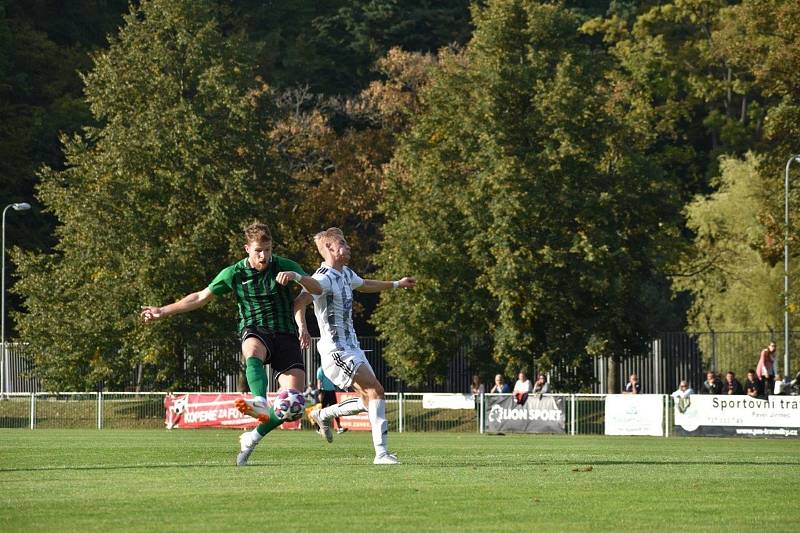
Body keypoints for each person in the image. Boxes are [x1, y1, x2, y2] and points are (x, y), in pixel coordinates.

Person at [140, 222, 322, 466]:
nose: (263, 255)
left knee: (292, 405)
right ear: (247, 248)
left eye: (267, 250)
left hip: (286, 335)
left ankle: (252, 438)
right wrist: (163, 310)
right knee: (252, 350)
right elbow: (200, 297)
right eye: (258, 250)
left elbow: (316, 288)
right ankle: (259, 400)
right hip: (255, 329)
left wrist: (298, 278)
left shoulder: (285, 266)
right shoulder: (234, 273)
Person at [295, 227, 416, 465]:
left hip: (353, 347)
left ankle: (322, 414)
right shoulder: (323, 277)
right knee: (376, 391)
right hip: (336, 351)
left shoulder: (345, 274)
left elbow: (364, 284)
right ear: (329, 248)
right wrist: (302, 326)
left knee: (367, 399)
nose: (348, 247)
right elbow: (302, 298)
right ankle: (381, 454)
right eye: (342, 243)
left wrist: (396, 284)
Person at [316, 364, 346, 433]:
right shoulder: (320, 369)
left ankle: (339, 427)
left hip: (332, 391)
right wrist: (319, 392)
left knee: (335, 409)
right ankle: (318, 428)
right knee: (322, 410)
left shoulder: (330, 369)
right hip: (324, 392)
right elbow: (319, 382)